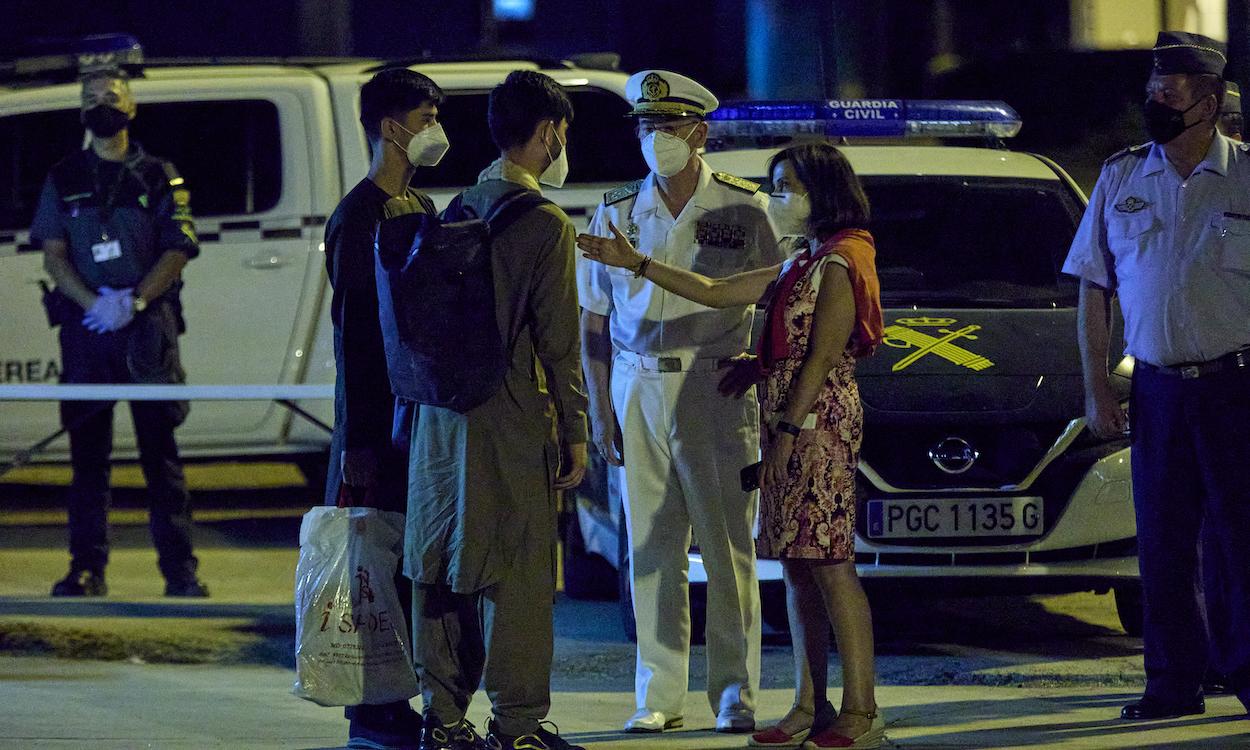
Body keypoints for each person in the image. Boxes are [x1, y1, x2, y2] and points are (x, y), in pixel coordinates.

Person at [579, 141, 886, 749]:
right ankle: (805, 703)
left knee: (820, 563)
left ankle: (852, 709)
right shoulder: (804, 258)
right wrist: (758, 364)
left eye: (788, 186)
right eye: (775, 184)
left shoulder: (841, 258)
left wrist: (785, 433)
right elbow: (720, 293)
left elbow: (823, 355)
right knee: (793, 566)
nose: (778, 198)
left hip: (809, 428)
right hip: (709, 399)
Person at [576, 69, 780, 735]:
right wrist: (600, 410)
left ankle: (734, 694)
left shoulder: (745, 208)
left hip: (714, 384)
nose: (655, 138)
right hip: (636, 383)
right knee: (651, 547)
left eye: (666, 126)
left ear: (700, 131)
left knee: (727, 549)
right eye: (644, 126)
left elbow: (776, 295)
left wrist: (763, 365)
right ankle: (658, 694)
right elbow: (593, 322)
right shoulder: (614, 209)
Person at [1064, 31, 1250, 721]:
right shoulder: (1120, 177)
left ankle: (1246, 673)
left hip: (1236, 386)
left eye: (1169, 96)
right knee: (1163, 545)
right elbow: (1092, 288)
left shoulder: (1246, 176)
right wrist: (1095, 388)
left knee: (1238, 543)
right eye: (1152, 94)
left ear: (1208, 101)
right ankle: (1174, 685)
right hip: (1159, 389)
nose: (1156, 106)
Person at [405, 70, 588, 750]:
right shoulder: (546, 224)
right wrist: (576, 431)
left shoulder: (456, 208)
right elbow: (559, 345)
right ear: (547, 134)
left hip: (440, 419)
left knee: (442, 563)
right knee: (515, 570)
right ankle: (517, 726)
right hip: (509, 417)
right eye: (561, 135)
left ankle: (444, 720)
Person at [31, 67, 207, 600]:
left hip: (146, 331)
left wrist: (134, 302)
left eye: (110, 96)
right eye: (91, 98)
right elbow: (54, 253)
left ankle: (180, 574)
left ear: (130, 109)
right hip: (87, 332)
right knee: (88, 460)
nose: (100, 104)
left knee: (162, 457)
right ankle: (86, 571)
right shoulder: (64, 176)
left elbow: (177, 249)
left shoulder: (159, 175)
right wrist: (94, 305)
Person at [324, 67, 449, 750]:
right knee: (372, 573)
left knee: (403, 570)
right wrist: (361, 441)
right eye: (424, 115)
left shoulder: (422, 210)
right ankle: (372, 710)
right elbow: (357, 340)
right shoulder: (359, 216)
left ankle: (394, 701)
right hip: (379, 426)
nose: (434, 128)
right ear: (389, 125)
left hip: (417, 423)